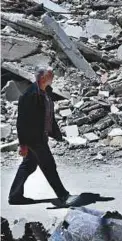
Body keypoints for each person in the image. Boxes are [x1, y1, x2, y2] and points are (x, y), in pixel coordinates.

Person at [8, 66, 78, 205]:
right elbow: (21, 122)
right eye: (51, 75)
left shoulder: (45, 92)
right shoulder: (29, 95)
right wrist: (23, 145)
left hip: (40, 137)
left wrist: (55, 133)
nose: (53, 77)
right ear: (42, 77)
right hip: (34, 139)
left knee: (28, 165)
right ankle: (63, 196)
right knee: (49, 165)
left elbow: (48, 115)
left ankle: (15, 196)